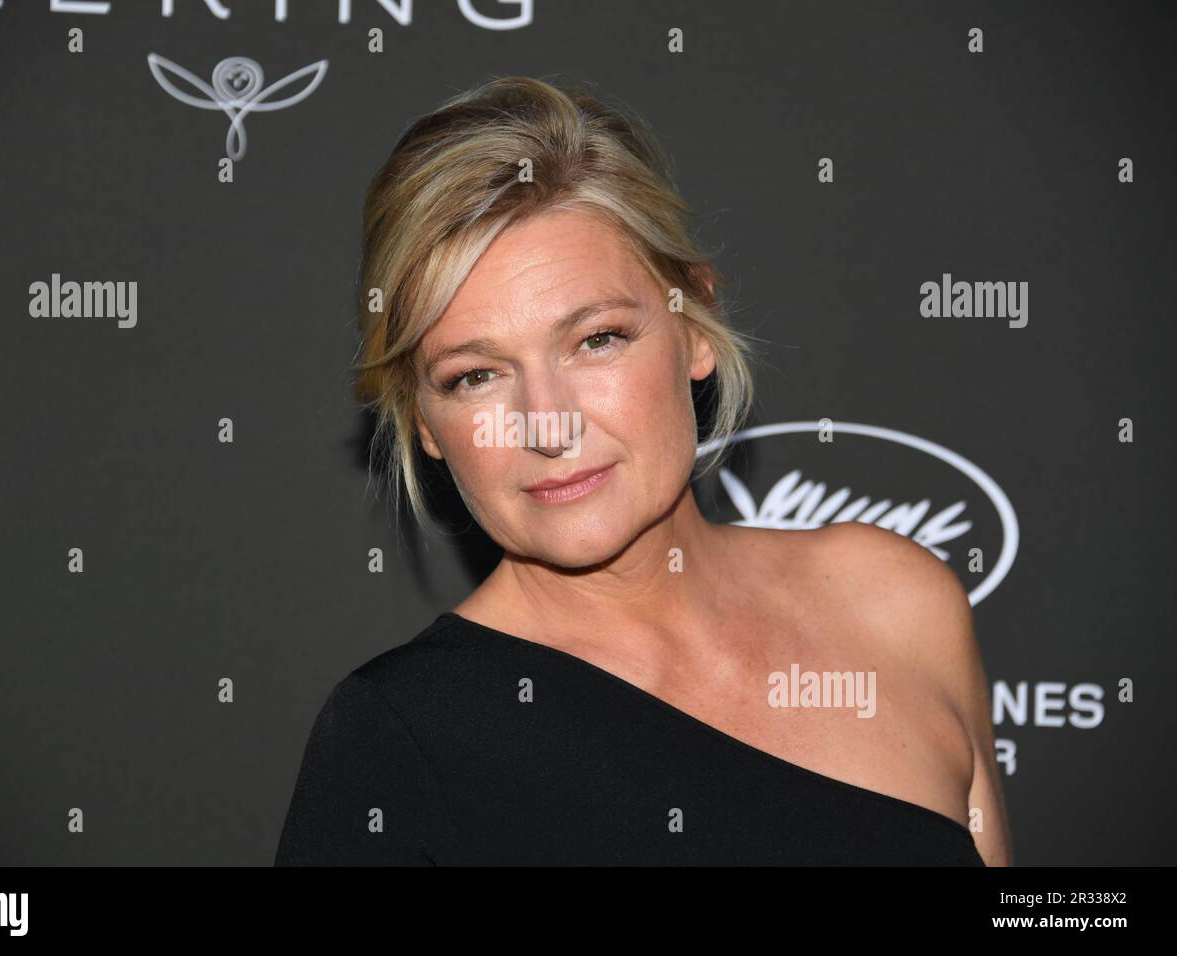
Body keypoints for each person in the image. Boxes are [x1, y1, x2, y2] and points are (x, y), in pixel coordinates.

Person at [275, 75, 1013, 866]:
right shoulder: (397, 740)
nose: (547, 424)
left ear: (694, 324)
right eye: (475, 376)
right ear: (425, 420)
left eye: (596, 339)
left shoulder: (895, 605)